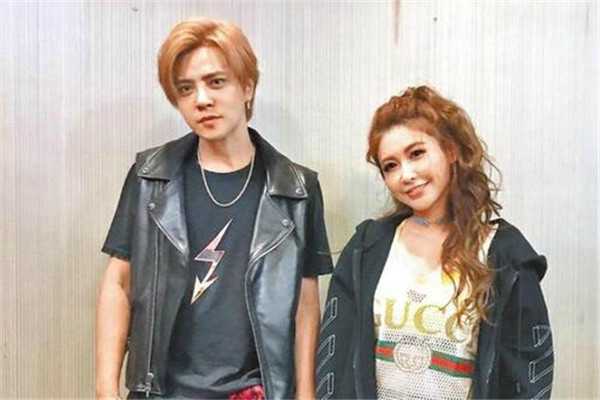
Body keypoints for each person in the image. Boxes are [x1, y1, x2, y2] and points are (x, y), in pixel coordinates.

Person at [96, 18, 333, 400]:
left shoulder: (296, 189)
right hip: (162, 392)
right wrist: (105, 388)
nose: (201, 100)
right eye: (185, 88)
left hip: (252, 392)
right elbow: (119, 282)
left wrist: (305, 395)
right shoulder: (151, 177)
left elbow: (305, 304)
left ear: (247, 86)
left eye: (216, 82)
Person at [316, 86, 553, 399]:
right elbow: (334, 361)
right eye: (390, 165)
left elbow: (527, 378)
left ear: (451, 150)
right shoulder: (367, 248)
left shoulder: (505, 255)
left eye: (416, 153)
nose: (406, 174)